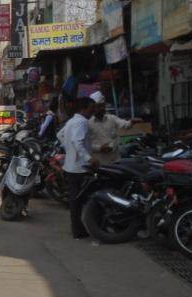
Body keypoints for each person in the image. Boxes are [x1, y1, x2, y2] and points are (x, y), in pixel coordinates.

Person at [57, 96, 98, 239]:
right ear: (84, 109)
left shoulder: (72, 121)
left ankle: (78, 228)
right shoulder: (81, 122)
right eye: (91, 109)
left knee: (75, 200)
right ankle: (78, 229)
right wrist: (89, 158)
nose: (93, 112)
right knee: (77, 201)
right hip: (80, 167)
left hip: (70, 165)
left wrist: (69, 150)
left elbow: (60, 135)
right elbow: (77, 141)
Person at [87, 91, 139, 165]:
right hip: (99, 162)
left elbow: (124, 124)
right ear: (93, 108)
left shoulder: (111, 118)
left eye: (103, 106)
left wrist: (131, 122)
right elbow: (85, 144)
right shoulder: (88, 123)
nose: (102, 108)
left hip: (115, 159)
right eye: (99, 106)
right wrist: (100, 148)